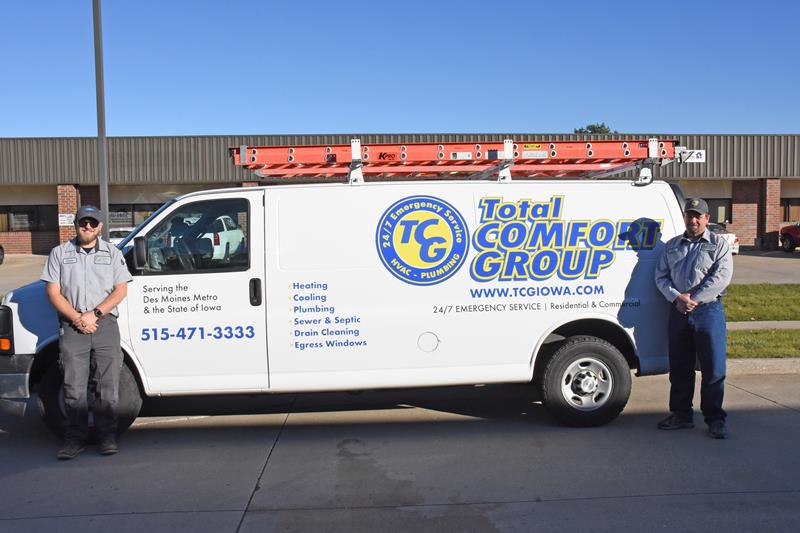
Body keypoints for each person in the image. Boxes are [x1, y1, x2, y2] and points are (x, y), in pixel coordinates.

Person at [41, 206, 133, 459]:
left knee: (108, 385)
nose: (88, 227)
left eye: (93, 223)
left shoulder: (113, 253)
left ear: (100, 226)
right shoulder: (59, 253)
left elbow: (121, 290)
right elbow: (53, 292)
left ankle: (107, 437)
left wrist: (95, 314)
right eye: (84, 223)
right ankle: (74, 439)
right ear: (76, 225)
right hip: (73, 326)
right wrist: (78, 318)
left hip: (104, 324)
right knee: (73, 386)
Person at [654, 198, 733, 439]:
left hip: (708, 311)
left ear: (707, 218)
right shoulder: (672, 246)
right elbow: (661, 276)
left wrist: (694, 298)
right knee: (680, 367)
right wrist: (677, 297)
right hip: (678, 311)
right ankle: (681, 415)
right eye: (690, 215)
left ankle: (715, 419)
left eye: (698, 215)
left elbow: (721, 277)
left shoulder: (719, 245)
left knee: (713, 368)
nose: (694, 220)